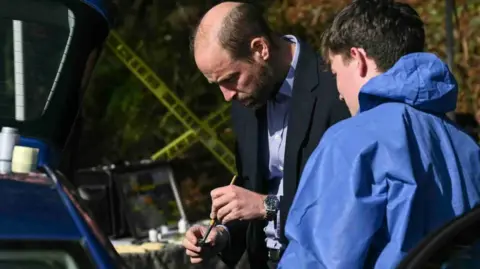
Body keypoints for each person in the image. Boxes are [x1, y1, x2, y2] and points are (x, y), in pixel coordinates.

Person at [278, 0, 480, 268]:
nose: (338, 92)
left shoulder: (351, 141)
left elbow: (319, 259)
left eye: (337, 73)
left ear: (359, 59)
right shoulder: (466, 145)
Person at [181, 1, 350, 268]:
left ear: (261, 49)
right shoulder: (247, 97)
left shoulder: (337, 87)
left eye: (229, 79)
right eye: (217, 84)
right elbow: (250, 196)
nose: (226, 96)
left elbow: (348, 202)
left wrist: (267, 206)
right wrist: (222, 234)